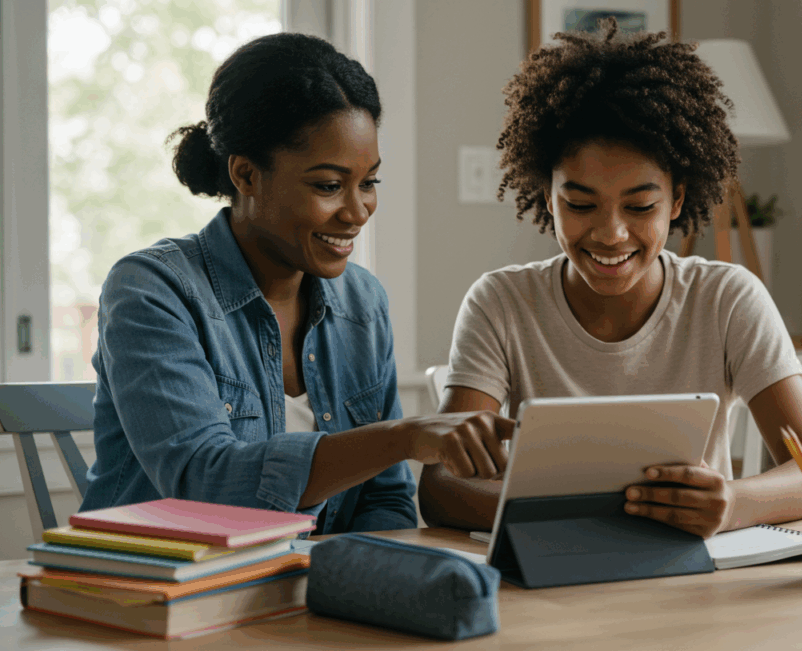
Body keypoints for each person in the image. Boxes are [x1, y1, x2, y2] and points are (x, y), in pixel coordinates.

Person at [418, 20, 802, 538]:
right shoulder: (502, 302)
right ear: (549, 198)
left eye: (639, 206)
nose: (611, 234)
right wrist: (569, 515)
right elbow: (439, 487)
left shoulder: (728, 299)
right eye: (579, 204)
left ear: (677, 200)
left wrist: (733, 504)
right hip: (554, 575)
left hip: (691, 580)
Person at [80, 33, 512, 534]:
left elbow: (385, 499)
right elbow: (201, 481)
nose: (357, 212)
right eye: (329, 186)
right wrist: (402, 437)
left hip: (303, 592)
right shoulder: (153, 289)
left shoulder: (362, 302)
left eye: (369, 182)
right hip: (157, 594)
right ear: (244, 174)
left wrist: (363, 578)